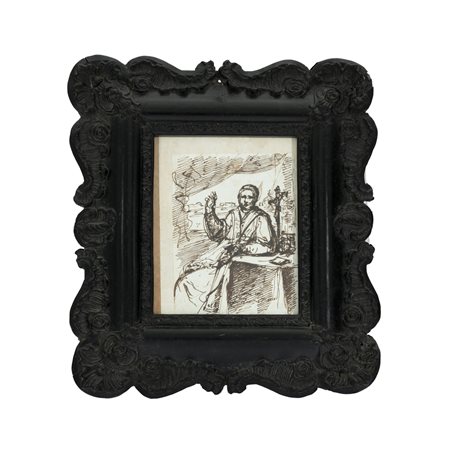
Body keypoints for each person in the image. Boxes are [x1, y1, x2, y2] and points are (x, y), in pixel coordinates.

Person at [174, 184, 276, 314]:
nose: (246, 200)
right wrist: (210, 211)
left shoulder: (261, 217)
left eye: (250, 197)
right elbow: (218, 233)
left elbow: (267, 245)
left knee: (218, 280)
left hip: (242, 258)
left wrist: (243, 248)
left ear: (255, 199)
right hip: (222, 252)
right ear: (238, 198)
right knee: (190, 277)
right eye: (243, 197)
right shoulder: (233, 214)